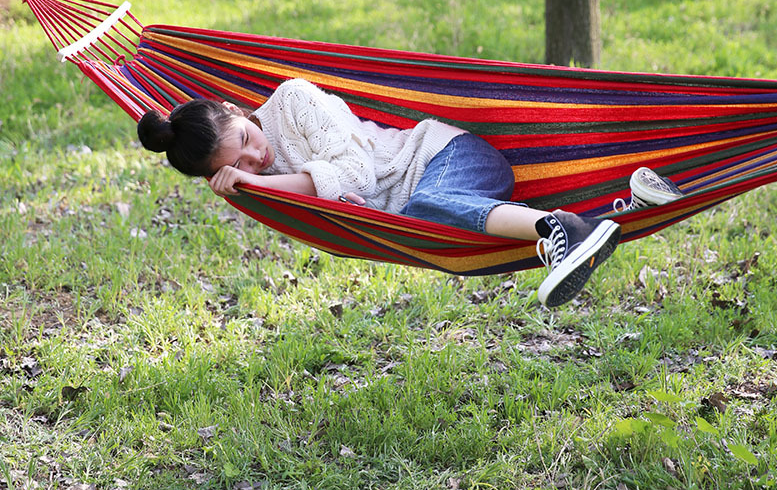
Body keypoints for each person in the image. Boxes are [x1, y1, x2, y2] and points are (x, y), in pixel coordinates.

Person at [137, 77, 683, 308]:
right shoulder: (254, 185)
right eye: (239, 164)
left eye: (249, 142)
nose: (258, 158)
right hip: (434, 208)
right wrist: (253, 187)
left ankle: (562, 228)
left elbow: (353, 178)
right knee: (426, 213)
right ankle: (605, 215)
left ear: (236, 111)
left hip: (447, 158)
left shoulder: (292, 101)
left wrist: (256, 181)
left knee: (425, 206)